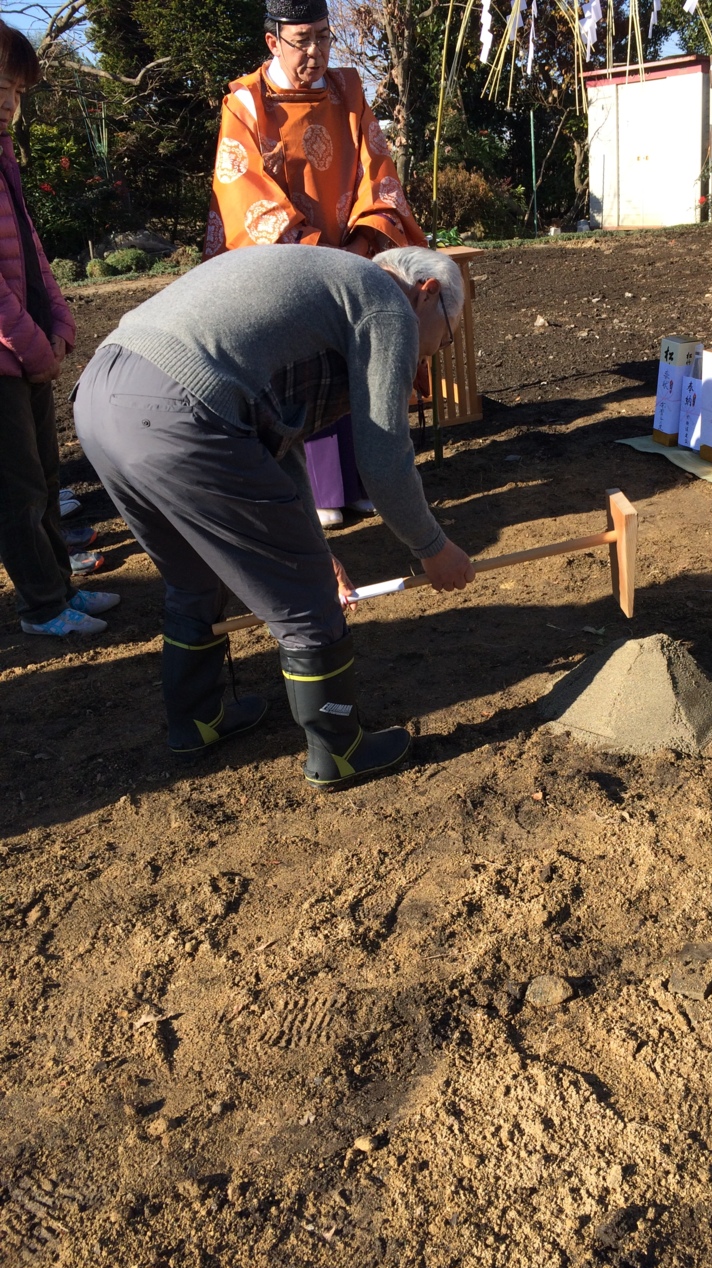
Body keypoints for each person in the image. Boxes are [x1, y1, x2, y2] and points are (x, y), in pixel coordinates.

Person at [72, 244, 475, 788]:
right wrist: (433, 547)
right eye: (442, 339)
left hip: (102, 396)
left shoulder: (325, 289)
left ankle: (198, 722)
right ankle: (340, 751)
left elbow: (272, 447)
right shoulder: (387, 304)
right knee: (306, 601)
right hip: (182, 409)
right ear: (426, 293)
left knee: (196, 575)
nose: (429, 357)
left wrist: (316, 547)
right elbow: (383, 459)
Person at [204, 0, 428, 529]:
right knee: (303, 369)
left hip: (352, 249)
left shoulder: (348, 90)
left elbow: (380, 174)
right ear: (272, 41)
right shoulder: (245, 103)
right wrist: (319, 261)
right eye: (302, 40)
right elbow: (243, 193)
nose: (316, 52)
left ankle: (363, 480)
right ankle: (322, 490)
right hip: (286, 263)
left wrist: (360, 247)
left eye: (324, 38)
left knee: (359, 357)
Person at [0, 22, 118, 637]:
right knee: (17, 489)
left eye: (15, 90)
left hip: (26, 353)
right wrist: (29, 344)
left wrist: (62, 321)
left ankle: (61, 587)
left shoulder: (4, 158)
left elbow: (30, 251)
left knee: (46, 478)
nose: (7, 102)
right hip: (6, 359)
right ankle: (42, 606)